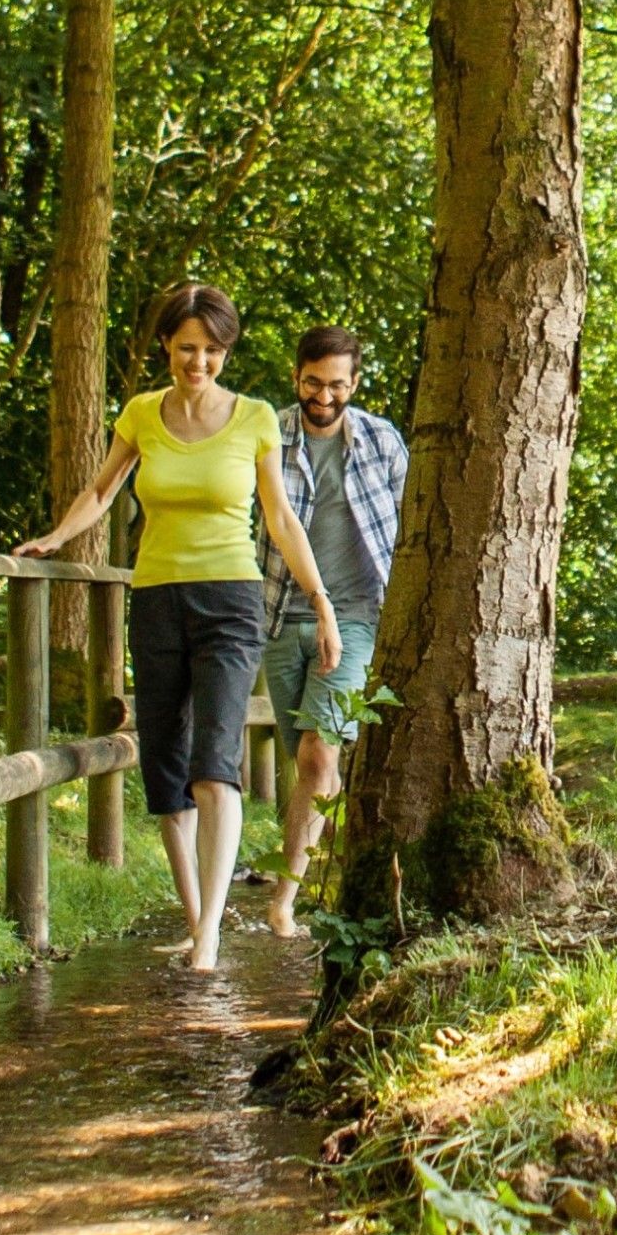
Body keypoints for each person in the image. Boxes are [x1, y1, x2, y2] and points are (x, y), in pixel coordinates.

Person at [29, 282, 335, 977]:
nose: (199, 362)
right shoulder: (141, 413)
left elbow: (281, 519)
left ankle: (212, 943)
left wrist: (317, 599)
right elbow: (103, 491)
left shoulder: (255, 418)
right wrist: (56, 537)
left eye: (213, 350)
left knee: (214, 760)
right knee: (165, 764)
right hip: (156, 596)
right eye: (188, 347)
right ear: (167, 343)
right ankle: (198, 920)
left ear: (226, 351)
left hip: (230, 600)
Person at [259, 324, 408, 937]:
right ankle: (336, 860)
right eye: (314, 383)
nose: (325, 396)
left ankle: (284, 901)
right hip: (276, 614)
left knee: (320, 753)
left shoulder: (381, 441)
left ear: (355, 383)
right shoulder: (266, 436)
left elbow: (408, 527)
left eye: (337, 385)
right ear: (297, 377)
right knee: (308, 762)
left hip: (353, 618)